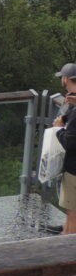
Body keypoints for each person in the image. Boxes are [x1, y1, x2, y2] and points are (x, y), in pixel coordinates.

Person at [51, 63, 76, 236]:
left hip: (74, 169)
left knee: (73, 213)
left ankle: (66, 253)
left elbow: (70, 142)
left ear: (66, 79)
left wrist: (59, 128)